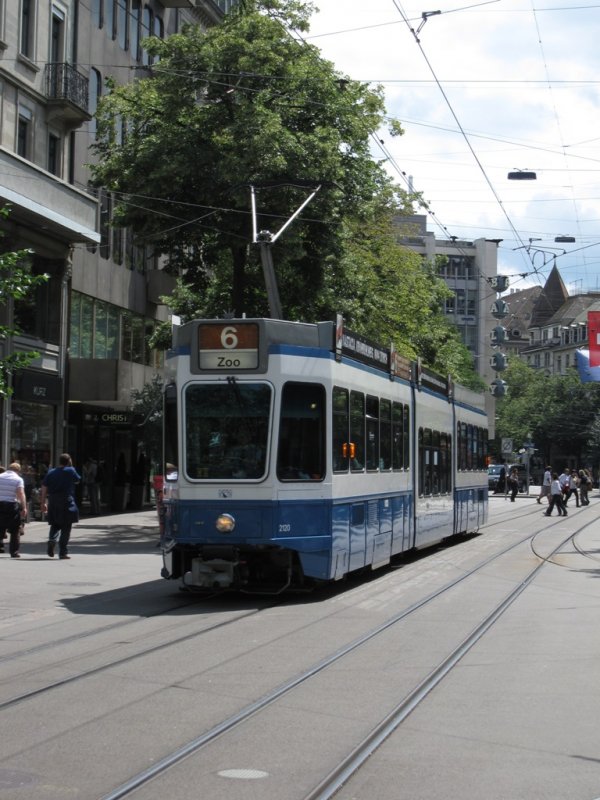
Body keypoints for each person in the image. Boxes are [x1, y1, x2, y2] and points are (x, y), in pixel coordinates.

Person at [40, 453, 81, 560]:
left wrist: (43, 502)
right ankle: (63, 552)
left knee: (55, 524)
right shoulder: (70, 470)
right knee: (66, 527)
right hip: (66, 500)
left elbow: (44, 487)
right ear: (69, 461)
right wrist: (71, 466)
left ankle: (52, 540)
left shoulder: (51, 472)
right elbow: (77, 480)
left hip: (53, 500)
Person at [0, 463, 27, 558]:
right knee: (15, 529)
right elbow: (21, 493)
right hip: (11, 505)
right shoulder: (18, 479)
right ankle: (14, 552)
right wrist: (24, 507)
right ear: (18, 470)